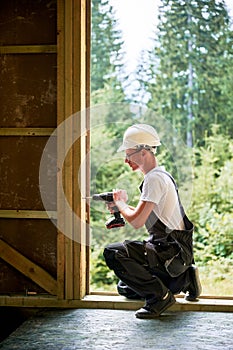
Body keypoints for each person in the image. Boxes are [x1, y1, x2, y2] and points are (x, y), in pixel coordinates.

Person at [103, 124, 202, 319]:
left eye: (129, 153)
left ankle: (161, 297)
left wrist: (121, 204)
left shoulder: (154, 179)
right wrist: (122, 206)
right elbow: (144, 214)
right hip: (175, 254)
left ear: (144, 152)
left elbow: (138, 221)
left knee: (113, 252)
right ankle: (184, 279)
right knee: (125, 287)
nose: (126, 159)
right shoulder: (160, 176)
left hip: (169, 253)